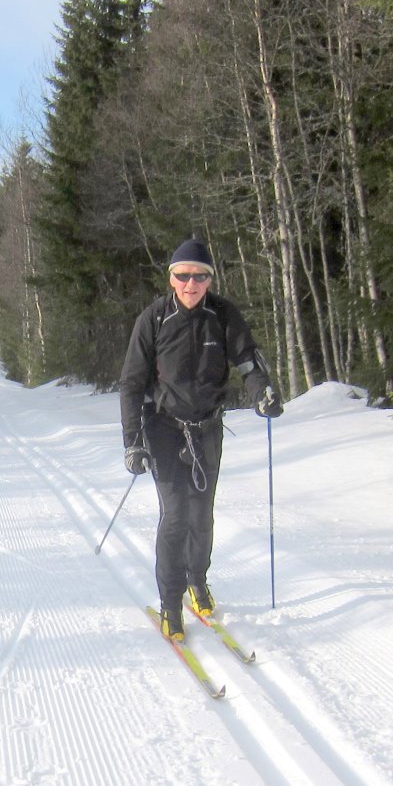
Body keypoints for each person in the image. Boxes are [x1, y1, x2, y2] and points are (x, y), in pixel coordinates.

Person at [118, 237, 283, 640]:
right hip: (163, 428)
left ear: (209, 279)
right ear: (171, 278)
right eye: (182, 275)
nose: (190, 283)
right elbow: (131, 384)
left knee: (202, 514)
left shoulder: (223, 315)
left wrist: (262, 391)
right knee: (175, 515)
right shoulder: (154, 319)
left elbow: (247, 360)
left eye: (199, 276)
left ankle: (198, 580)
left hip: (207, 429)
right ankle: (170, 604)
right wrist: (132, 441)